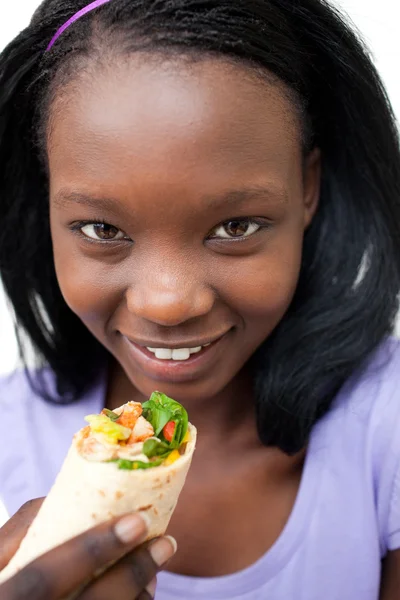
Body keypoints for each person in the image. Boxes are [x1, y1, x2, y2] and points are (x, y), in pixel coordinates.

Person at [1, 0, 400, 598]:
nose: (167, 303)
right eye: (101, 230)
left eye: (236, 227)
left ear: (307, 188)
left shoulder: (385, 426)